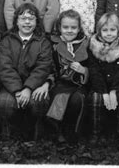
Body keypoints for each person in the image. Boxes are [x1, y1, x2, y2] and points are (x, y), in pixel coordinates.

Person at [0, 3, 54, 140]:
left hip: (34, 85)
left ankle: (36, 134)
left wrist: (28, 88)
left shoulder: (43, 42)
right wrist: (17, 90)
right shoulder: (7, 41)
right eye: (23, 18)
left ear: (36, 22)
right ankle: (9, 135)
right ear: (16, 21)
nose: (27, 22)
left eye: (31, 19)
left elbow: (43, 67)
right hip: (11, 86)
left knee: (38, 101)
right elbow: (5, 67)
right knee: (4, 103)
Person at [87, 12, 119, 148]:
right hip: (99, 86)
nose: (109, 33)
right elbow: (94, 72)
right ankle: (96, 133)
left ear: (118, 31)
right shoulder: (93, 47)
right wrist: (104, 93)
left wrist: (113, 91)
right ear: (99, 32)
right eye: (105, 30)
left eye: (112, 30)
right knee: (96, 99)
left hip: (118, 85)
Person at [47, 10, 90, 142]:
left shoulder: (85, 43)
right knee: (60, 98)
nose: (69, 31)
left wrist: (83, 70)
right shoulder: (54, 44)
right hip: (60, 83)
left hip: (78, 85)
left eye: (73, 27)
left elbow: (93, 67)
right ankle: (58, 131)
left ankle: (73, 132)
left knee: (77, 100)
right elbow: (50, 67)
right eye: (65, 27)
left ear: (79, 29)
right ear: (59, 27)